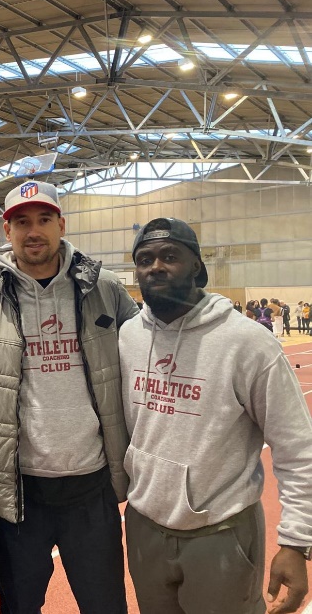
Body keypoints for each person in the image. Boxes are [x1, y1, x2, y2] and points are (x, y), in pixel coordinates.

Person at [0, 181, 138, 614]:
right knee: (18, 608)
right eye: (22, 222)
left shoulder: (104, 288)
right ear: (7, 230)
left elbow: (154, 344)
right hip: (18, 495)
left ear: (61, 224)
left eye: (44, 220)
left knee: (106, 605)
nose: (34, 231)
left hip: (93, 489)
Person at [121, 218, 312, 614]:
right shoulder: (128, 337)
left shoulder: (247, 342)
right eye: (145, 259)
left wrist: (296, 542)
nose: (155, 266)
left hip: (221, 533)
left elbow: (297, 449)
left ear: (197, 267)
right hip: (144, 528)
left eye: (170, 256)